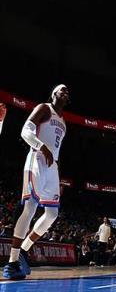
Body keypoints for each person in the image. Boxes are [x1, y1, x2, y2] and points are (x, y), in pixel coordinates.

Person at [3, 85, 69, 280]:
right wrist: (42, 147)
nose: (66, 92)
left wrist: (57, 173)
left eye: (67, 91)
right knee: (30, 207)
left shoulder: (63, 122)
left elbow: (56, 150)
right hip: (37, 159)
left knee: (52, 214)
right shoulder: (44, 108)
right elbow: (25, 131)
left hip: (52, 166)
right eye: (62, 90)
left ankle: (24, 249)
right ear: (54, 94)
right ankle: (12, 262)